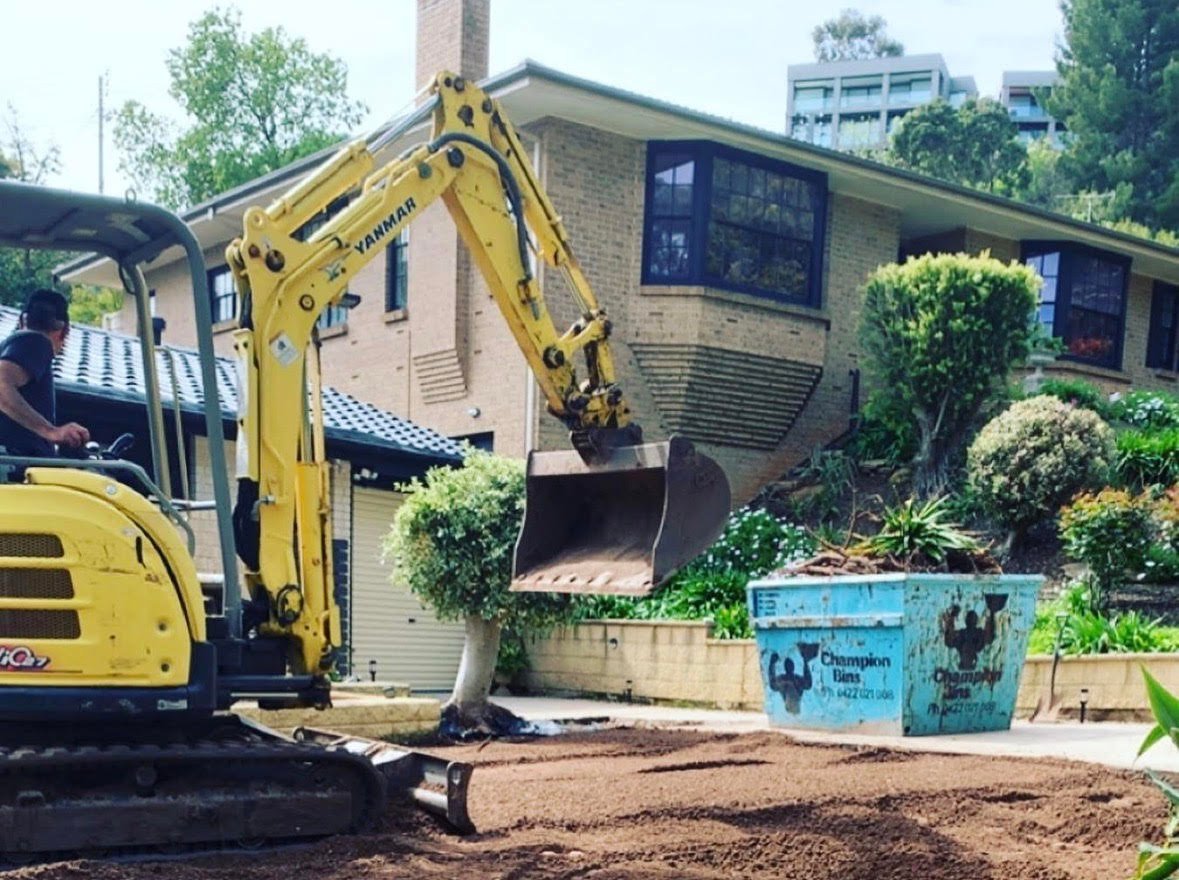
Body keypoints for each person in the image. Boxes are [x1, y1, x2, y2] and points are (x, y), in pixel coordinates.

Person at [0, 290, 89, 463]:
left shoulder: (8, 346)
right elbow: (1, 385)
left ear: (21, 321)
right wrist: (51, 431)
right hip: (18, 470)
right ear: (64, 331)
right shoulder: (35, 341)